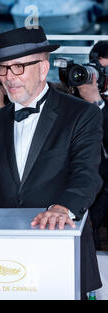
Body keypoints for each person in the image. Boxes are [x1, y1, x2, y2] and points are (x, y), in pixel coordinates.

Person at [0, 26, 102, 298]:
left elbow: (87, 175)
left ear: (43, 67)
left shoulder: (81, 114)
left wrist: (63, 208)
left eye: (18, 67)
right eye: (2, 68)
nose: (8, 78)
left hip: (59, 248)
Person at [75, 40, 108, 250]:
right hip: (86, 193)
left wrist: (98, 104)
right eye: (99, 69)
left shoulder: (95, 100)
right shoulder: (75, 99)